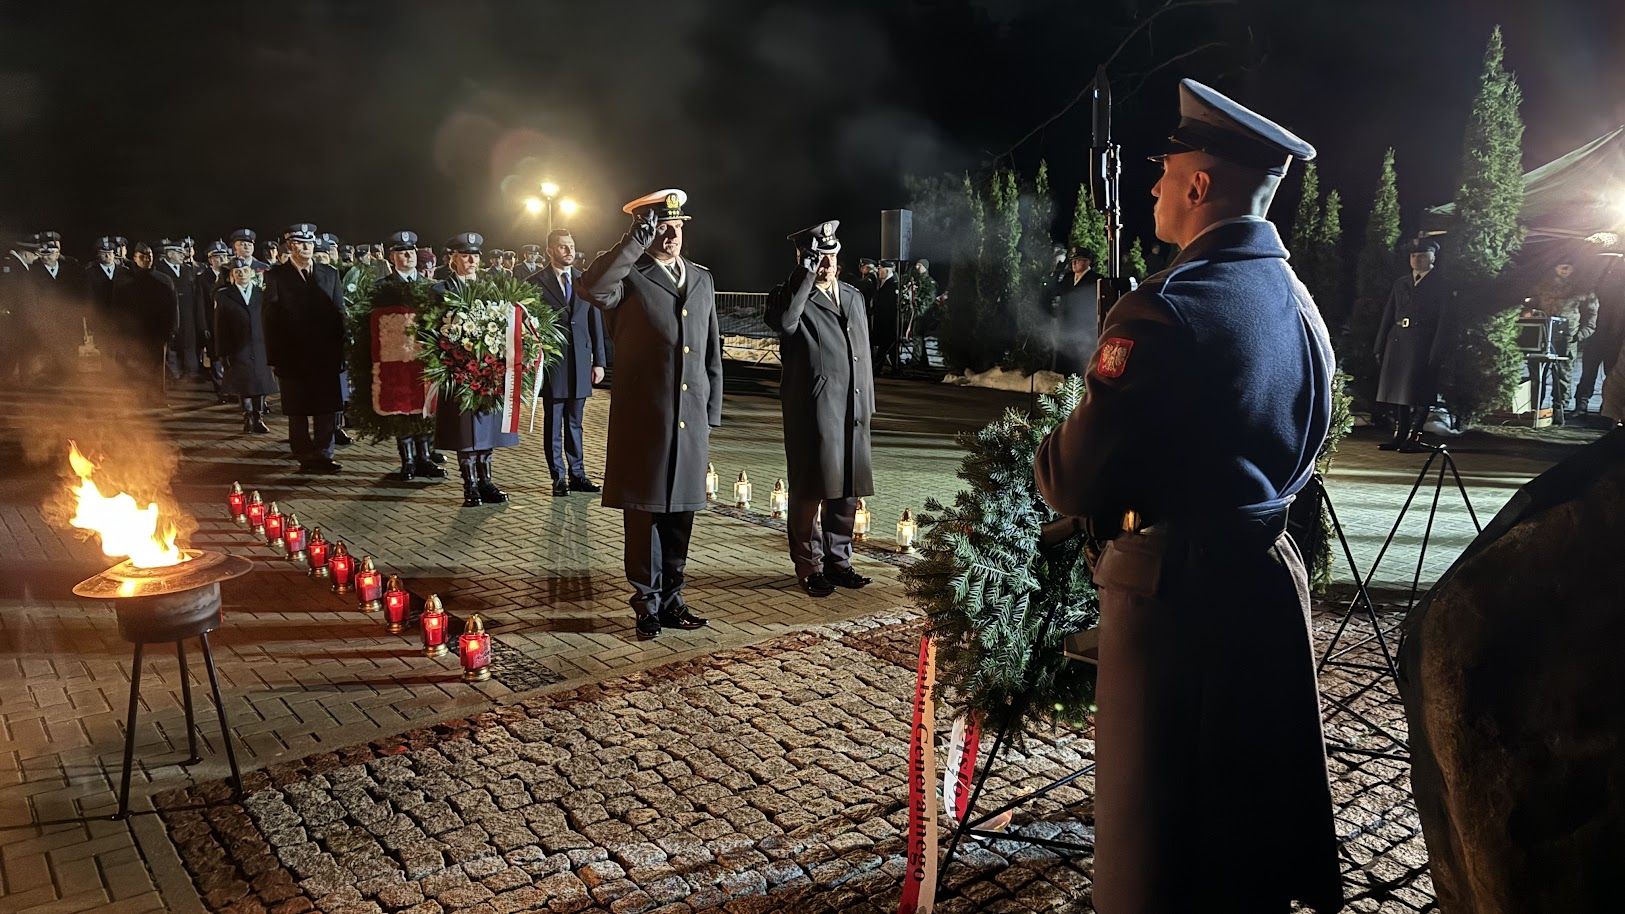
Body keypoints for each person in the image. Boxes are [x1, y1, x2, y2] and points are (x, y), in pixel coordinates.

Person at [1033, 78, 1341, 913]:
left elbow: (1070, 478)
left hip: (1172, 598)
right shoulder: (1298, 300)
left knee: (1155, 851)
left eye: (1164, 172)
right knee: (1244, 829)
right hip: (1264, 579)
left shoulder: (1165, 310)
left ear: (1199, 185)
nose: (1153, 188)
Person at [582, 188, 721, 640]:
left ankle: (673, 599)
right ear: (646, 231)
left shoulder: (701, 278)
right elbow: (594, 289)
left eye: (677, 226)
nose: (672, 235)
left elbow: (711, 351)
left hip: (689, 419)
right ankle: (646, 604)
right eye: (662, 227)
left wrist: (710, 413)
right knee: (644, 516)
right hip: (645, 419)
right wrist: (632, 242)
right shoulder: (629, 275)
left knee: (681, 514)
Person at [764, 220, 875, 597]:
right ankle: (809, 565)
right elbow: (785, 323)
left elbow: (862, 353)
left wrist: (867, 402)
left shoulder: (853, 296)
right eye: (816, 257)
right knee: (810, 488)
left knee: (847, 489)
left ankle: (838, 561)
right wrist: (805, 275)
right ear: (802, 258)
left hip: (853, 406)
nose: (826, 264)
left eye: (830, 256)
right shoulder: (789, 296)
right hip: (813, 408)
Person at [432, 232, 520, 507]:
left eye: (475, 256)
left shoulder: (489, 288)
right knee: (465, 430)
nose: (471, 260)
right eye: (465, 255)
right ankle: (469, 485)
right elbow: (431, 330)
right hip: (458, 370)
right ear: (453, 259)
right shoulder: (441, 290)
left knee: (486, 427)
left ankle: (486, 481)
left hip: (487, 371)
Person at [263, 224, 347, 473]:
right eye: (300, 243)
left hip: (325, 355)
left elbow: (340, 313)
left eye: (309, 243)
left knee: (326, 407)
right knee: (297, 410)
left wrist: (341, 350)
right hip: (293, 356)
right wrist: (275, 358)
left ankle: (324, 454)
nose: (306, 247)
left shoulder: (329, 273)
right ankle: (304, 456)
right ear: (290, 246)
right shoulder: (277, 276)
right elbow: (270, 319)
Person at [530, 227, 606, 496]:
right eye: (563, 246)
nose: (569, 251)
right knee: (554, 423)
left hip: (581, 362)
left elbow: (595, 322)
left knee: (575, 423)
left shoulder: (584, 280)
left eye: (571, 246)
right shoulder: (536, 282)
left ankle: (578, 475)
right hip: (554, 363)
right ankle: (558, 477)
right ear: (550, 250)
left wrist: (599, 361)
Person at [373, 230, 445, 482]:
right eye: (402, 252)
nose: (408, 256)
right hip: (395, 361)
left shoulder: (430, 287)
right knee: (401, 409)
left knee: (424, 408)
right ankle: (408, 461)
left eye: (411, 251)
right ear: (392, 257)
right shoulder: (382, 288)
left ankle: (425, 458)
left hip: (424, 358)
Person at [1374, 239, 1453, 449]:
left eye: (1422, 256)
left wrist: (1437, 350)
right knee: (1399, 391)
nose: (1417, 260)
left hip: (1423, 343)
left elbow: (1445, 320)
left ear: (1432, 258)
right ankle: (1400, 434)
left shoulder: (1441, 284)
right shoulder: (1401, 283)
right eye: (1413, 256)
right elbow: (1389, 314)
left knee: (1421, 392)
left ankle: (1415, 436)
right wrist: (1380, 344)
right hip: (1399, 341)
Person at [1530, 256, 1599, 426]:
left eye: (1567, 267)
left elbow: (1592, 313)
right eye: (1561, 266)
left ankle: (1559, 411)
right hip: (1541, 336)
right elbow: (1530, 304)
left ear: (1573, 268)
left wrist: (1581, 334)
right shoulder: (1542, 285)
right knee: (1537, 375)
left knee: (1562, 376)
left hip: (1567, 339)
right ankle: (1533, 410)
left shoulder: (1583, 288)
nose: (1564, 270)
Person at [214, 257, 276, 433]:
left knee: (260, 383)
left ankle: (258, 417)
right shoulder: (224, 295)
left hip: (259, 346)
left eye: (245, 271)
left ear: (251, 273)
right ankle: (247, 416)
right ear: (232, 275)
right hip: (237, 347)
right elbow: (220, 326)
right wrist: (222, 352)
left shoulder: (261, 294)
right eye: (237, 272)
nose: (242, 274)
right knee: (244, 383)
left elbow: (270, 322)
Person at [114, 242, 179, 406]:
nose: (147, 259)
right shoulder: (124, 281)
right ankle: (137, 399)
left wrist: (172, 329)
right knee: (135, 365)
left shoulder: (164, 280)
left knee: (157, 367)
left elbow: (173, 307)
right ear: (135, 258)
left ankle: (158, 398)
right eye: (142, 256)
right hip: (133, 332)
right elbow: (117, 309)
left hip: (157, 332)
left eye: (149, 256)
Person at [158, 238, 204, 380]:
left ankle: (191, 372)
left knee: (189, 342)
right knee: (171, 345)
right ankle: (173, 374)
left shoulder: (188, 270)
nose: (183, 255)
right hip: (169, 313)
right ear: (170, 254)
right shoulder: (159, 270)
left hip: (187, 313)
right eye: (179, 253)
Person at [1053, 245, 1103, 376]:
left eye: (1078, 260)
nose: (1074, 263)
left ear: (1088, 262)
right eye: (1073, 261)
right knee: (1065, 367)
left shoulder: (1096, 280)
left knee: (1079, 367)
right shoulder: (1068, 278)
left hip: (1084, 330)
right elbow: (1056, 292)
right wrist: (1057, 273)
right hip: (1065, 328)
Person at [0, 234, 40, 382]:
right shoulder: (10, 265)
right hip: (14, 318)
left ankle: (22, 380)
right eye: (35, 255)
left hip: (23, 318)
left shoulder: (19, 265)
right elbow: (6, 291)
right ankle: (7, 383)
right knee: (11, 351)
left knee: (23, 348)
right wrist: (7, 313)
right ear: (25, 253)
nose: (36, 258)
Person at [871, 260, 899, 374]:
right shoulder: (883, 282)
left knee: (885, 345)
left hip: (887, 321)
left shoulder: (892, 284)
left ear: (886, 270)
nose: (878, 271)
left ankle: (877, 369)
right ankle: (895, 368)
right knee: (889, 346)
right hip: (882, 320)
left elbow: (890, 305)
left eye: (880, 269)